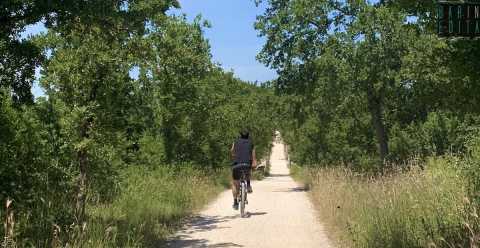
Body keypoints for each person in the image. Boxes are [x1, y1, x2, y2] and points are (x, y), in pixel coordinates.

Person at [230, 129, 257, 210]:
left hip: (237, 164)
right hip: (247, 164)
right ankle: (248, 185)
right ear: (248, 135)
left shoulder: (235, 141)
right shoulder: (251, 143)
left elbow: (231, 151)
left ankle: (235, 202)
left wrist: (234, 156)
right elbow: (253, 155)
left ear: (240, 135)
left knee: (234, 183)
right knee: (248, 171)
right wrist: (254, 162)